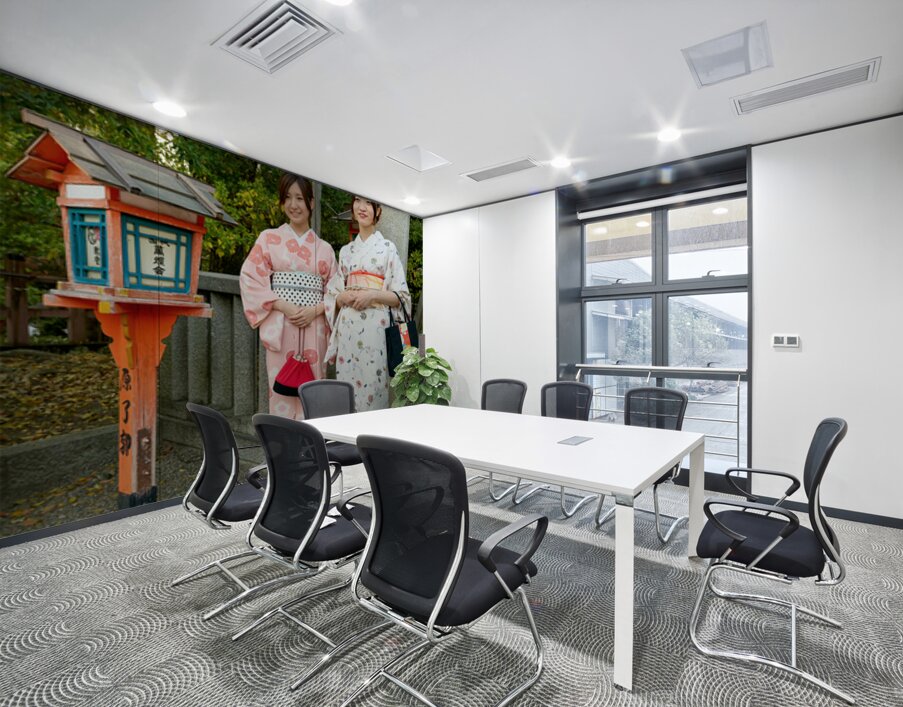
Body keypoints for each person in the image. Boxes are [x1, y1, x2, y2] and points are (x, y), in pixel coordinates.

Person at [240, 173, 337, 419]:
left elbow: (336, 291)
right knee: (281, 391)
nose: (294, 205)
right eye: (287, 198)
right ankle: (282, 451)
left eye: (300, 198)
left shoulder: (324, 249)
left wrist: (315, 310)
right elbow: (250, 277)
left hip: (315, 326)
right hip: (281, 324)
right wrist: (281, 304)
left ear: (311, 202)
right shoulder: (269, 239)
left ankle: (311, 451)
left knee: (312, 391)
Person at [325, 196, 411, 412]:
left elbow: (401, 296)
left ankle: (371, 444)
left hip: (375, 328)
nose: (361, 207)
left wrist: (372, 295)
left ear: (378, 210)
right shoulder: (346, 251)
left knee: (373, 389)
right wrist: (340, 298)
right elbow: (333, 293)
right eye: (357, 201)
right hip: (348, 329)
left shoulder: (387, 248)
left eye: (368, 203)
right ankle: (347, 444)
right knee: (346, 392)